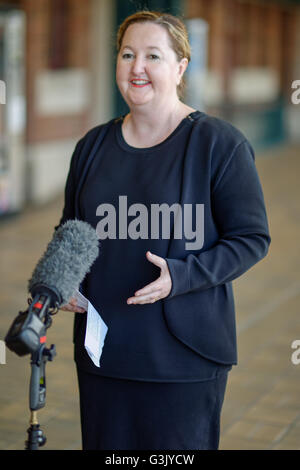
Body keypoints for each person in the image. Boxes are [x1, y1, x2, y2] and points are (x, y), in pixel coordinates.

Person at [57, 10, 271, 450]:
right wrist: (63, 279)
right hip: (105, 354)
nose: (137, 67)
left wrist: (183, 275)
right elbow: (71, 232)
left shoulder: (218, 144)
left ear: (180, 67)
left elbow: (251, 239)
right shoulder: (92, 147)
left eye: (153, 55)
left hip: (184, 358)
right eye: (127, 54)